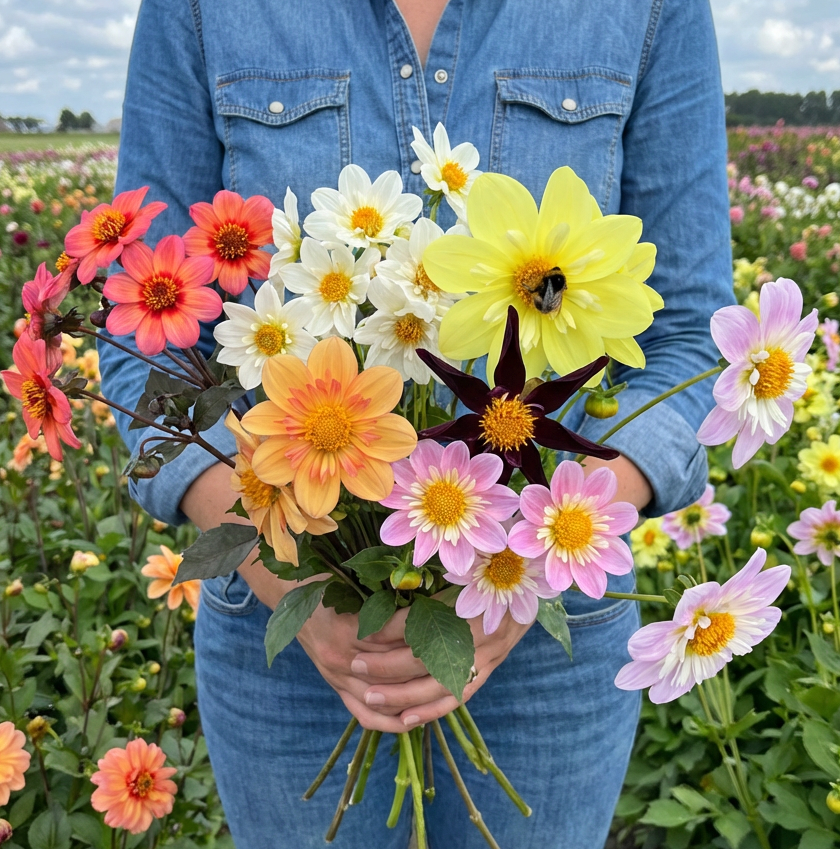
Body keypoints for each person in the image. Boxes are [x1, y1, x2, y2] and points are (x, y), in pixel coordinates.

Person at [98, 0, 733, 845]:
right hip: (290, 629)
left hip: (549, 627)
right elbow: (143, 347)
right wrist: (292, 576)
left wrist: (526, 562)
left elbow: (694, 337)